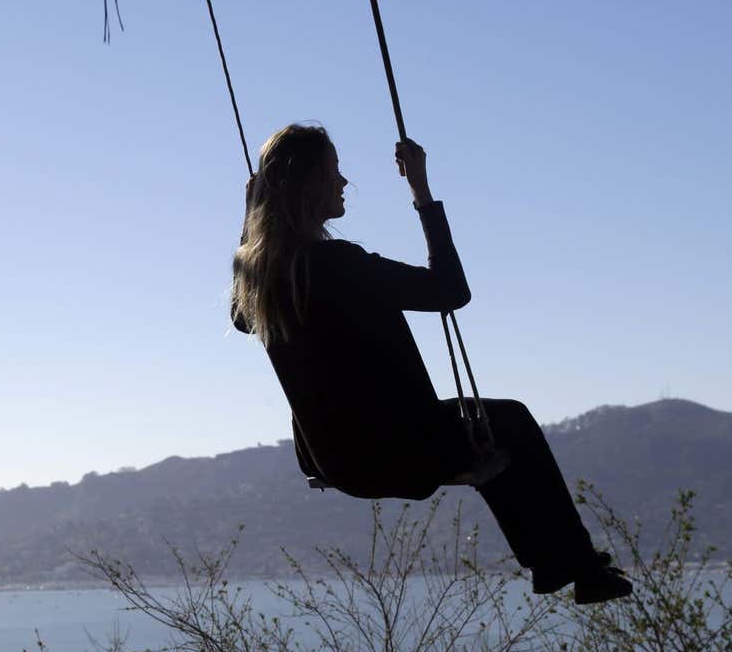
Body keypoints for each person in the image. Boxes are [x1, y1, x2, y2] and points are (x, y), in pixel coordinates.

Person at [231, 123, 632, 605]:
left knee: (492, 440)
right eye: (334, 173)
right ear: (310, 186)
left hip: (336, 459)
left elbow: (240, 314)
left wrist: (249, 218)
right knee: (509, 423)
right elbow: (450, 290)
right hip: (397, 449)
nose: (344, 183)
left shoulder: (263, 280)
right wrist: (422, 192)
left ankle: (562, 565)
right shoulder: (339, 265)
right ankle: (577, 566)